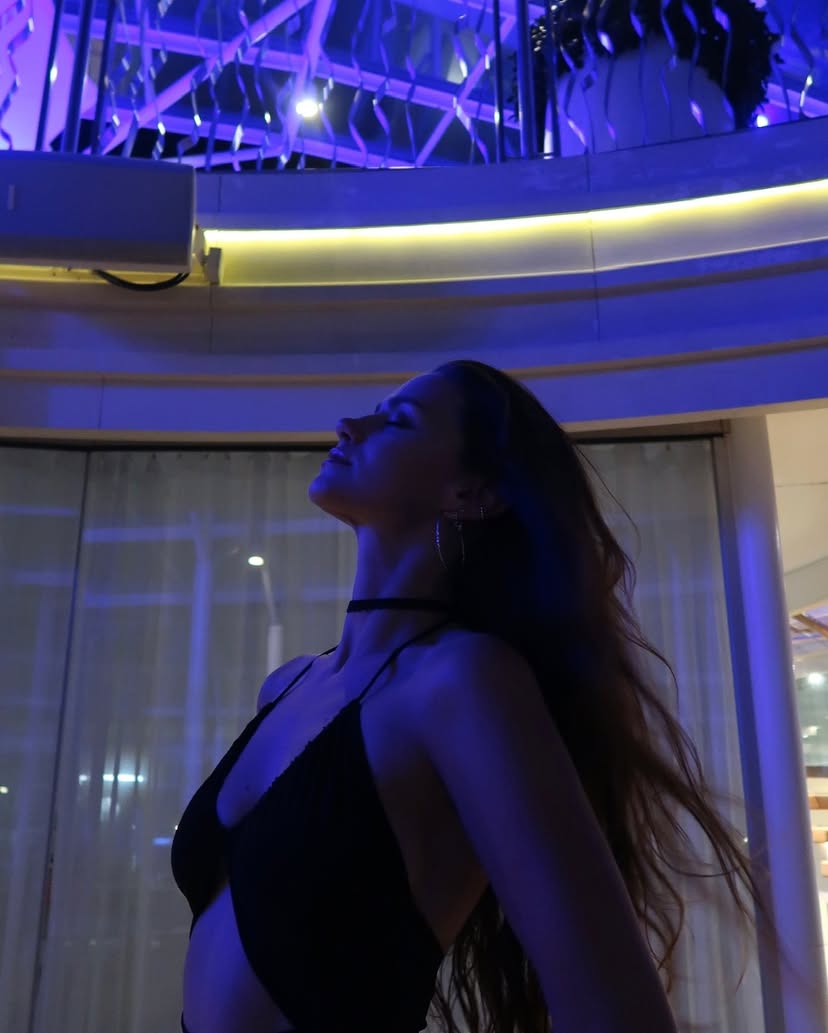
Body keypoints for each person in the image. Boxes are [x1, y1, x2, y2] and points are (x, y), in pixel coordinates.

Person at [172, 359, 778, 1033]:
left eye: (399, 421)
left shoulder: (463, 680)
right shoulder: (287, 685)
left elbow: (618, 1011)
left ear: (473, 492)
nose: (348, 425)